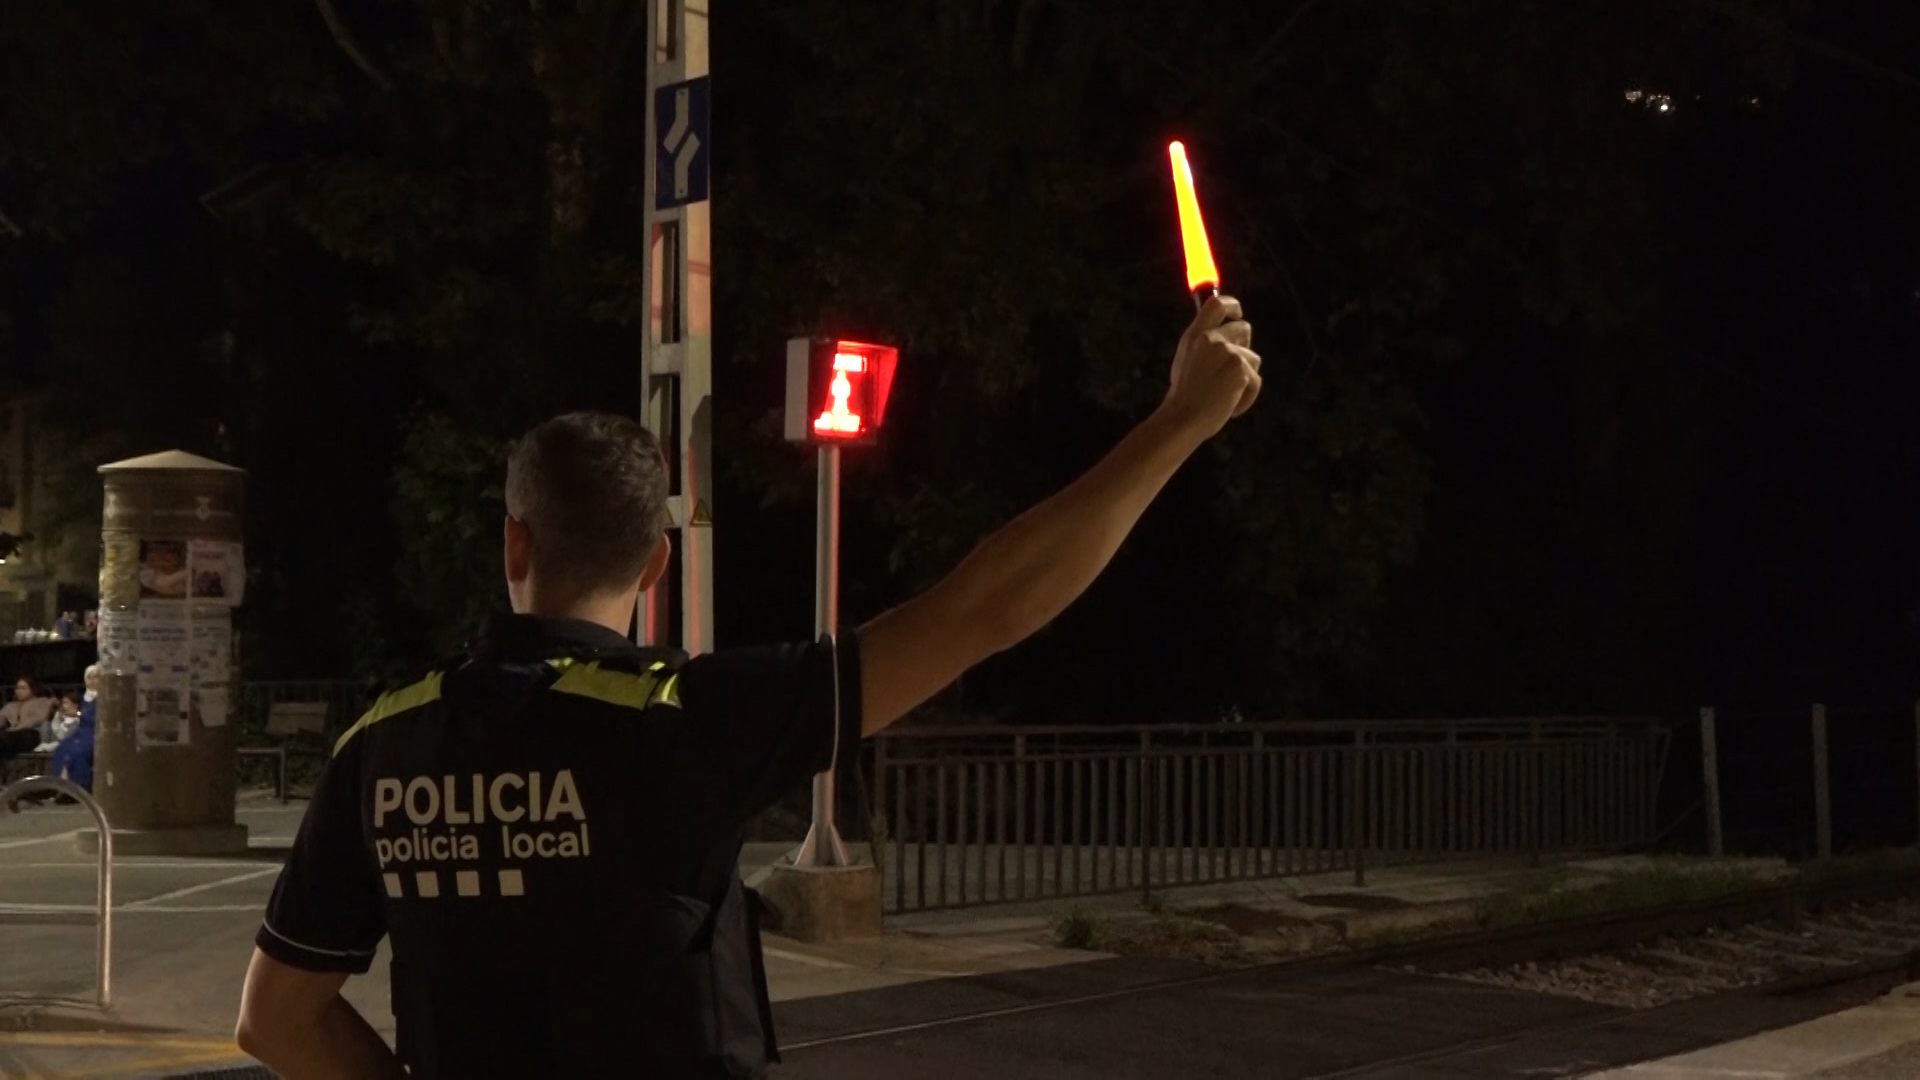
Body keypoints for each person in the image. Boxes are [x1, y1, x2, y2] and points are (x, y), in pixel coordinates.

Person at [233, 296, 1262, 1079]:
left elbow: (275, 1021)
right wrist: (1180, 421)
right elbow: (982, 609)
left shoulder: (381, 747)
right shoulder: (680, 722)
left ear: (514, 542)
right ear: (656, 565)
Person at [0, 675, 55, 762]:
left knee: (10, 737)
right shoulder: (11, 706)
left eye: (23, 688)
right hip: (11, 734)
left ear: (32, 689)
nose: (19, 691)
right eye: (18, 688)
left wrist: (16, 728)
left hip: (32, 733)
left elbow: (38, 719)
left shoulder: (42, 702)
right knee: (5, 737)